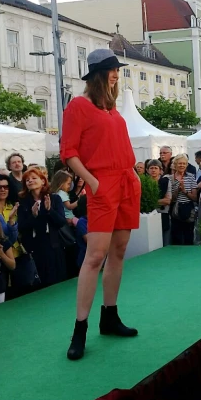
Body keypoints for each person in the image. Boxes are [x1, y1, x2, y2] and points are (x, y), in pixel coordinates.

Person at [61, 49, 142, 361]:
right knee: (95, 256)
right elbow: (68, 152)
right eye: (111, 69)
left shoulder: (112, 110)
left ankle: (109, 316)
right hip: (103, 183)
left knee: (119, 252)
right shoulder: (78, 106)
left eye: (117, 70)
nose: (115, 74)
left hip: (125, 183)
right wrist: (92, 182)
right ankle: (79, 329)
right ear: (97, 73)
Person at [17, 167, 66, 288]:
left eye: (34, 178)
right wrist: (33, 216)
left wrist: (49, 210)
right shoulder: (23, 202)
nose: (30, 181)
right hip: (34, 247)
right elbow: (22, 227)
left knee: (55, 282)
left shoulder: (54, 198)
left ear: (43, 181)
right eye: (27, 180)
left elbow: (61, 222)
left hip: (53, 245)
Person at [167, 154, 198, 245]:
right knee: (177, 237)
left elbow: (194, 197)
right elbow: (172, 199)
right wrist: (178, 189)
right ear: (175, 165)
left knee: (189, 236)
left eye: (184, 163)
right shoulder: (170, 178)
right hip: (176, 210)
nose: (182, 165)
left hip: (189, 210)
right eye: (180, 163)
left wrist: (184, 191)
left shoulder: (191, 177)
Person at [147, 160, 171, 246]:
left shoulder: (166, 181)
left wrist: (151, 201)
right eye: (151, 168)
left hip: (163, 214)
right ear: (147, 170)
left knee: (165, 241)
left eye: (156, 168)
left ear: (160, 170)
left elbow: (167, 201)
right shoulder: (145, 182)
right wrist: (161, 201)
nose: (153, 170)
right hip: (148, 216)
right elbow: (144, 202)